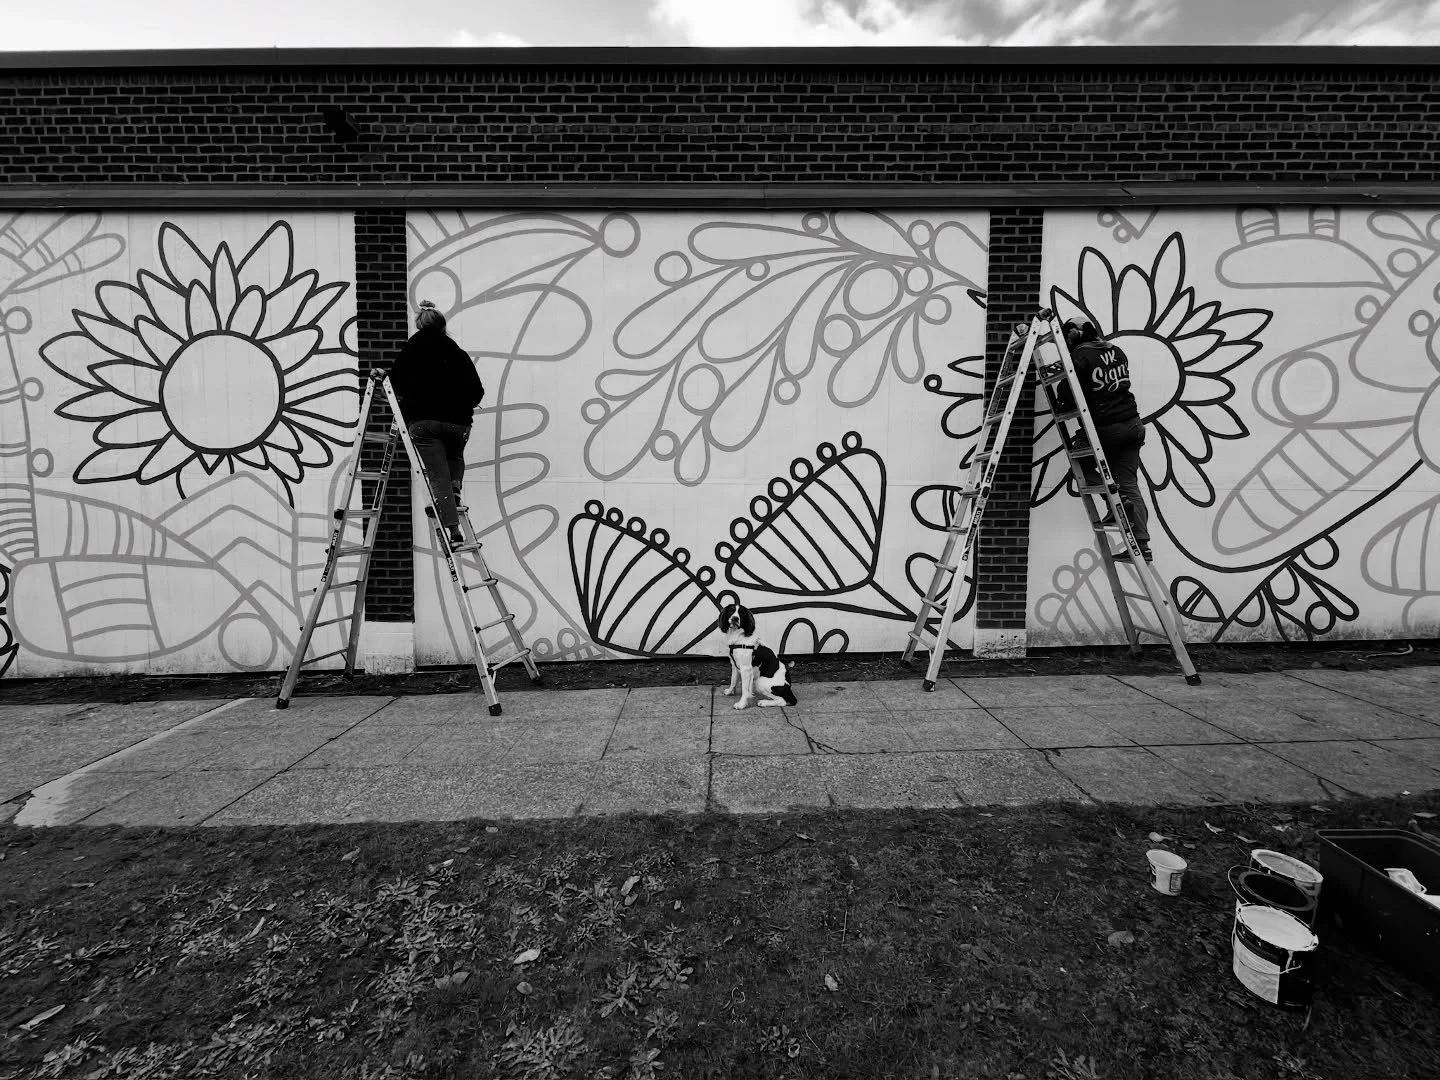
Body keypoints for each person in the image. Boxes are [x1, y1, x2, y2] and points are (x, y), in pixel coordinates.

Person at [1054, 315, 1152, 562]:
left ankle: (1117, 502)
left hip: (1106, 429)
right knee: (1129, 483)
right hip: (1133, 426)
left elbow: (1069, 391)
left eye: (1067, 336)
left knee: (1083, 470)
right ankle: (1141, 546)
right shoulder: (1117, 351)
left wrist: (1061, 395)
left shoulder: (1081, 356)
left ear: (1075, 334)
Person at [388, 301, 485, 548]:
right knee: (454, 456)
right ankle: (455, 488)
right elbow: (477, 390)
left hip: (425, 422)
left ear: (419, 324)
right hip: (458, 423)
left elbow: (393, 385)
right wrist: (464, 404)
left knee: (437, 474)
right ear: (442, 326)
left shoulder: (410, 351)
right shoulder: (458, 353)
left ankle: (453, 530)